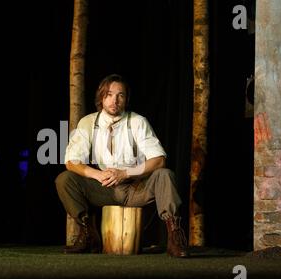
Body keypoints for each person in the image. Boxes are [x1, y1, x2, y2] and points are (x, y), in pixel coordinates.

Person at [55, 74, 188, 257]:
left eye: (121, 95)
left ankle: (174, 235)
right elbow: (71, 161)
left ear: (126, 100)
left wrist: (125, 173)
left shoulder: (137, 121)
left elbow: (158, 160)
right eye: (109, 94)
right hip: (104, 188)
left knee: (164, 174)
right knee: (65, 179)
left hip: (135, 188)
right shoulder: (88, 122)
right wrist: (97, 175)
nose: (114, 101)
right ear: (101, 97)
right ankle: (88, 233)